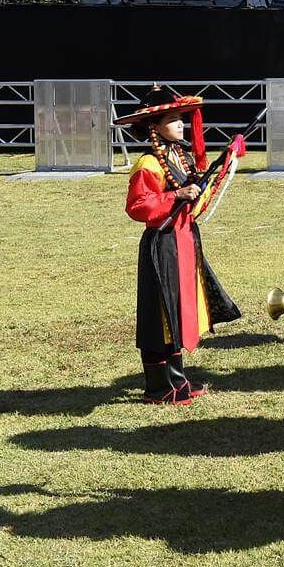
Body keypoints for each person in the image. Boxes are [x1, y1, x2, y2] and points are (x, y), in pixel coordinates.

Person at [118, 86, 242, 405]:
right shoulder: (149, 164)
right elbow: (138, 206)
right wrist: (176, 195)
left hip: (183, 240)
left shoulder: (180, 156)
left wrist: (222, 166)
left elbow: (194, 199)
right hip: (162, 244)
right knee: (161, 313)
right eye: (173, 120)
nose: (181, 125)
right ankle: (159, 387)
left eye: (180, 119)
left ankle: (177, 380)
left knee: (179, 309)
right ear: (155, 126)